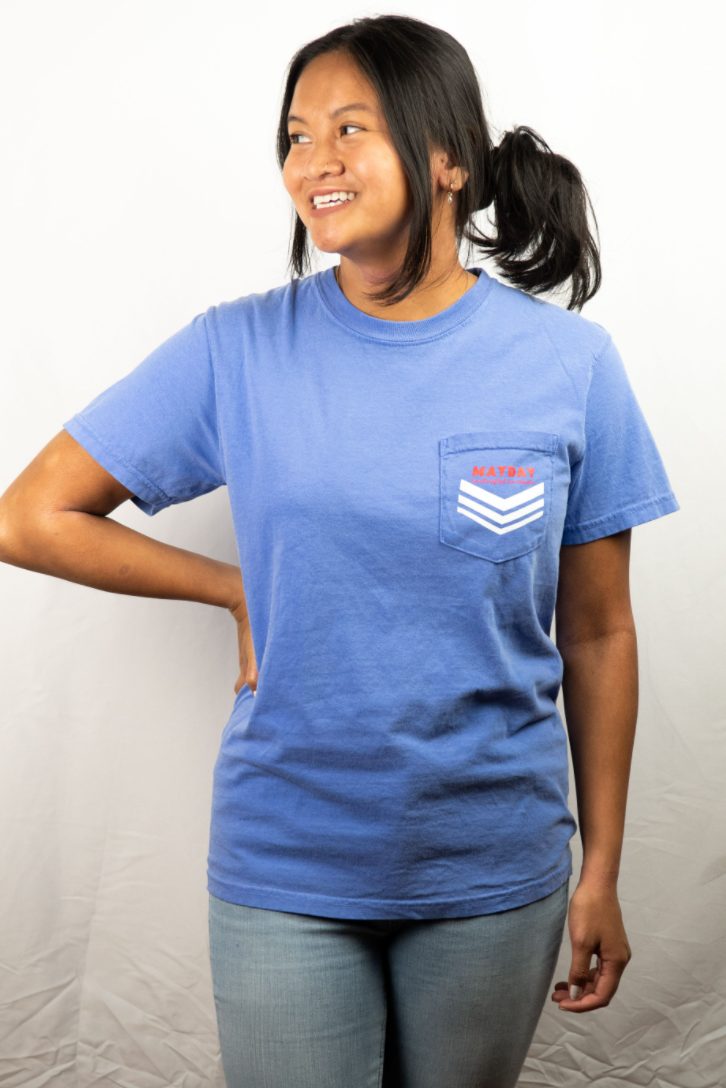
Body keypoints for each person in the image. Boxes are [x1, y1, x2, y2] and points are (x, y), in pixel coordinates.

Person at [0, 14, 679, 1088]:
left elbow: (598, 632)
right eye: (295, 135)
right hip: (287, 862)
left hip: (493, 865)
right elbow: (29, 515)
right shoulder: (236, 349)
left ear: (449, 158)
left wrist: (601, 867)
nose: (312, 161)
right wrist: (234, 589)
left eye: (349, 129)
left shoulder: (570, 365)